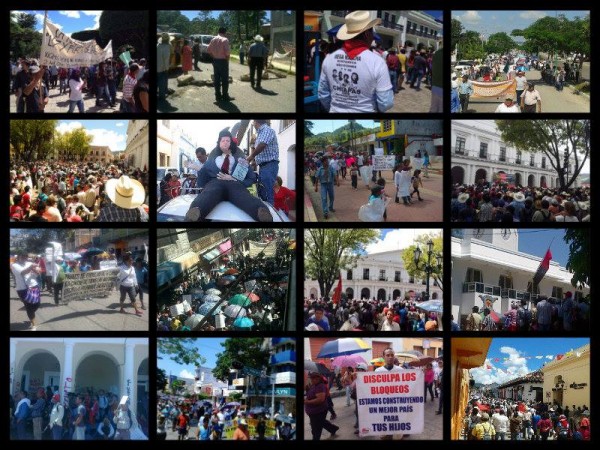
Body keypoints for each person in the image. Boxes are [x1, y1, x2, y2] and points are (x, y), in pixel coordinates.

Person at [185, 129, 273, 222]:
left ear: (231, 143)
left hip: (235, 185)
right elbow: (201, 184)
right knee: (208, 194)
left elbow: (252, 178)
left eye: (228, 141)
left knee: (244, 197)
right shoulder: (210, 162)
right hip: (215, 184)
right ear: (219, 143)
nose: (225, 143)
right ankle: (195, 212)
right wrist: (200, 170)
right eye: (223, 141)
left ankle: (261, 212)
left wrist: (234, 179)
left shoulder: (241, 161)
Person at [318, 11, 393, 112]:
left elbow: (323, 95)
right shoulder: (377, 62)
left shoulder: (329, 59)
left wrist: (335, 108)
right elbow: (385, 103)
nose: (372, 36)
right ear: (367, 34)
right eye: (372, 32)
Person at [247, 120, 279, 205]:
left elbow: (262, 145)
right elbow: (263, 152)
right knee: (263, 192)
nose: (253, 123)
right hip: (264, 166)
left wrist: (251, 157)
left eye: (253, 122)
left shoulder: (267, 130)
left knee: (267, 193)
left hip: (269, 166)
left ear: (256, 122)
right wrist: (255, 162)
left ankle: (270, 215)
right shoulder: (260, 133)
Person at [375, 347, 403, 440]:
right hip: (383, 403)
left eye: (392, 355)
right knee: (384, 428)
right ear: (383, 357)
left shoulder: (400, 370)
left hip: (397, 403)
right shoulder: (378, 371)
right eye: (387, 355)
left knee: (397, 432)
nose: (390, 357)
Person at [11, 250, 41, 330]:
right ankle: (34, 324)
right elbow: (23, 272)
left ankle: (31, 313)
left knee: (37, 304)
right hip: (22, 289)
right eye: (22, 256)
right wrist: (31, 267)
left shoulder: (29, 263)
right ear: (18, 257)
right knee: (29, 307)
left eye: (26, 256)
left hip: (34, 286)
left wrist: (36, 270)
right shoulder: (14, 265)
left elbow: (38, 274)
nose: (24, 258)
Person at [305, 372, 339, 440]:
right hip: (313, 411)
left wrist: (308, 402)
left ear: (317, 379)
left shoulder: (320, 386)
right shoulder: (314, 385)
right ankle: (333, 429)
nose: (311, 380)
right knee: (321, 422)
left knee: (316, 428)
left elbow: (320, 399)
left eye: (312, 378)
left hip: (319, 410)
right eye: (310, 378)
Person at [207, 27, 232, 102]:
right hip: (223, 61)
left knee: (217, 79)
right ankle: (225, 96)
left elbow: (208, 50)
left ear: (218, 31)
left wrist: (214, 56)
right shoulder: (225, 40)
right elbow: (227, 53)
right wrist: (226, 61)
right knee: (224, 79)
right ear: (225, 32)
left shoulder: (213, 39)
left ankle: (218, 96)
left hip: (215, 60)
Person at [157, 32, 172, 101]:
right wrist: (168, 66)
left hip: (158, 67)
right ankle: (162, 97)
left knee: (158, 80)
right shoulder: (168, 46)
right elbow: (168, 57)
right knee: (163, 82)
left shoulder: (157, 46)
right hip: (164, 68)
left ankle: (161, 93)